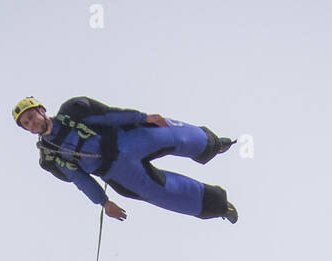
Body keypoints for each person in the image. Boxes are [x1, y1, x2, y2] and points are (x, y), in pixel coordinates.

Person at [12, 96, 239, 223]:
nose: (32, 123)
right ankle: (219, 206)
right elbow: (80, 180)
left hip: (128, 140)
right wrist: (103, 202)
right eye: (26, 124)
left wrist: (142, 117)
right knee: (166, 192)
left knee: (176, 136)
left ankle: (215, 144)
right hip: (119, 172)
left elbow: (109, 115)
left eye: (31, 116)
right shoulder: (50, 156)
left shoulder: (73, 110)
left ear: (41, 110)